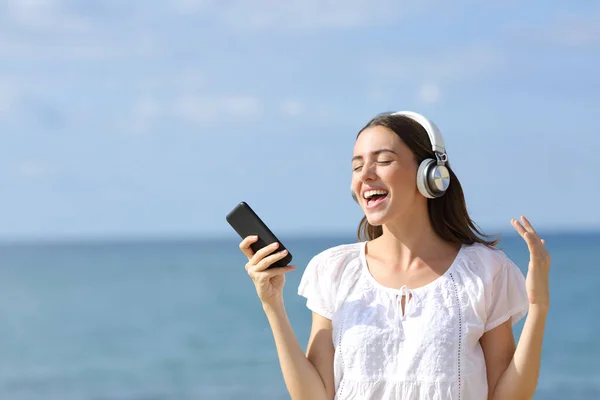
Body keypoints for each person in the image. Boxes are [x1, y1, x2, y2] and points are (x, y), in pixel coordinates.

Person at [238, 111, 550, 400]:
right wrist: (273, 305)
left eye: (383, 161)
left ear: (430, 174)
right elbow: (316, 395)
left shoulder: (486, 271)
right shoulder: (334, 269)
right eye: (357, 166)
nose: (366, 175)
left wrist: (537, 307)